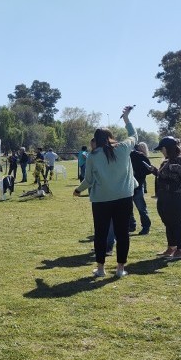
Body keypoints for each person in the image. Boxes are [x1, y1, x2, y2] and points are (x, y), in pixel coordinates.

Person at [74, 107, 138, 278]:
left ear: (96, 139)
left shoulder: (93, 156)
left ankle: (101, 269)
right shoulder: (124, 147)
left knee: (101, 234)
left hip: (101, 200)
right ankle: (120, 269)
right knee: (122, 233)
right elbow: (134, 135)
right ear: (111, 136)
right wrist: (126, 118)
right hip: (124, 197)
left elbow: (88, 181)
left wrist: (78, 190)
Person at [149, 136, 181, 260]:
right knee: (168, 222)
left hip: (178, 196)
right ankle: (171, 248)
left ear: (167, 148)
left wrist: (177, 168)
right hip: (165, 196)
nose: (161, 151)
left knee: (175, 222)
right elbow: (164, 176)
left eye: (162, 148)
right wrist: (156, 172)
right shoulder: (166, 161)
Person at [129, 142, 153, 235]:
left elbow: (148, 170)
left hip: (137, 185)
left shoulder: (139, 156)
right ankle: (131, 225)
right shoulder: (124, 156)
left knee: (141, 208)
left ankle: (146, 226)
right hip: (128, 186)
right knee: (129, 208)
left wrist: (137, 173)